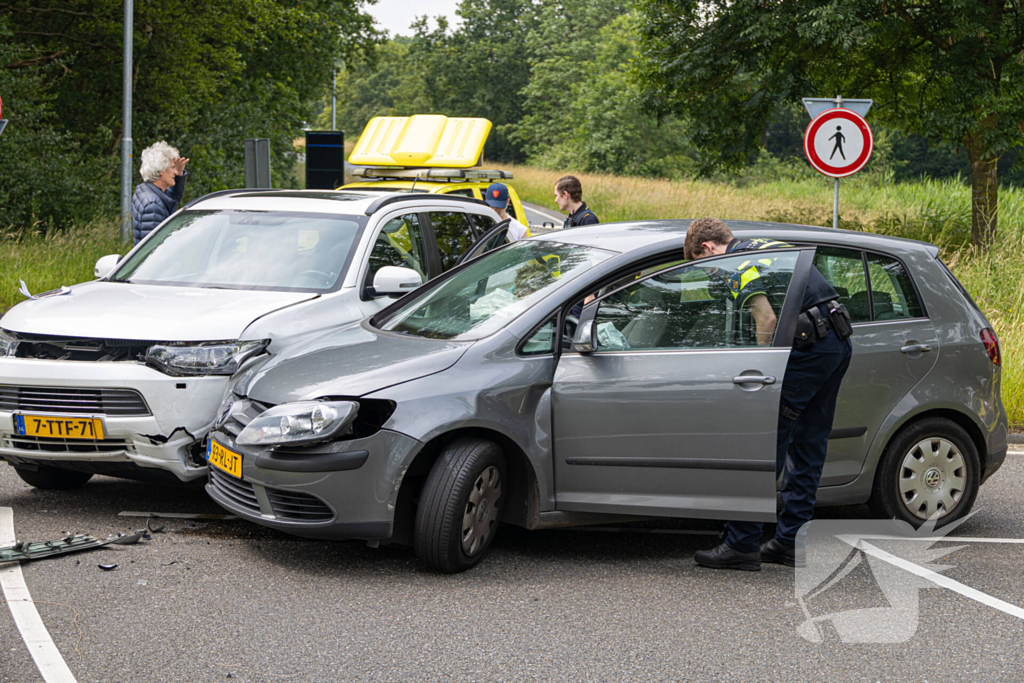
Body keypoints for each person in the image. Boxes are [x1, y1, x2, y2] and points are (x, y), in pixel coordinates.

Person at [684, 217, 853, 571]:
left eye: (705, 265)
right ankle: (791, 542)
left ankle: (741, 543)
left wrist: (761, 376)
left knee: (762, 443)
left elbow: (767, 320)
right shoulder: (764, 246)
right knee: (808, 444)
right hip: (835, 341)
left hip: (808, 351)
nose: (712, 271)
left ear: (708, 248)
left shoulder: (739, 266)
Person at [132, 141, 189, 244]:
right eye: (172, 167)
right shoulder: (153, 205)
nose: (175, 172)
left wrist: (180, 175)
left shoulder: (145, 190)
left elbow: (172, 199)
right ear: (161, 170)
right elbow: (153, 250)